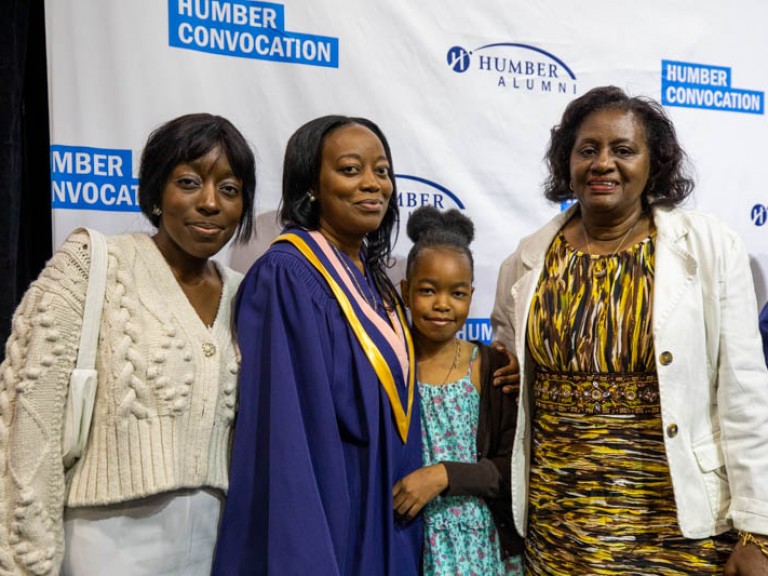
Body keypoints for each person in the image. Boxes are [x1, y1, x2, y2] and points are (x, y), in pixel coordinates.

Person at [491, 85, 768, 575]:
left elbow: (744, 396)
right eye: (588, 150)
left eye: (623, 150)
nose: (603, 163)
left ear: (653, 163)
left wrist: (757, 531)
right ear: (566, 161)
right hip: (559, 527)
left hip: (674, 524)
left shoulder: (709, 248)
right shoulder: (527, 259)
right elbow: (509, 362)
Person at [0, 113, 256, 575]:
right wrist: (26, 561)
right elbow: (29, 419)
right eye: (190, 181)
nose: (210, 202)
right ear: (157, 191)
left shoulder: (247, 296)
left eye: (230, 189)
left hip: (216, 541)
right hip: (106, 540)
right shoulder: (92, 263)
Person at [212, 115, 422, 575]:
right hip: (333, 529)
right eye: (350, 170)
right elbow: (287, 440)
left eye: (382, 171)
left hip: (386, 526)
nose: (372, 184)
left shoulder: (376, 282)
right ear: (312, 186)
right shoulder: (288, 275)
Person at [393, 206, 524, 575]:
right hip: (411, 540)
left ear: (471, 295)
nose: (442, 305)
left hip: (482, 546)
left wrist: (444, 474)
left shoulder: (492, 367)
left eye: (458, 293)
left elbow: (513, 465)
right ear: (406, 291)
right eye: (428, 290)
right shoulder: (389, 367)